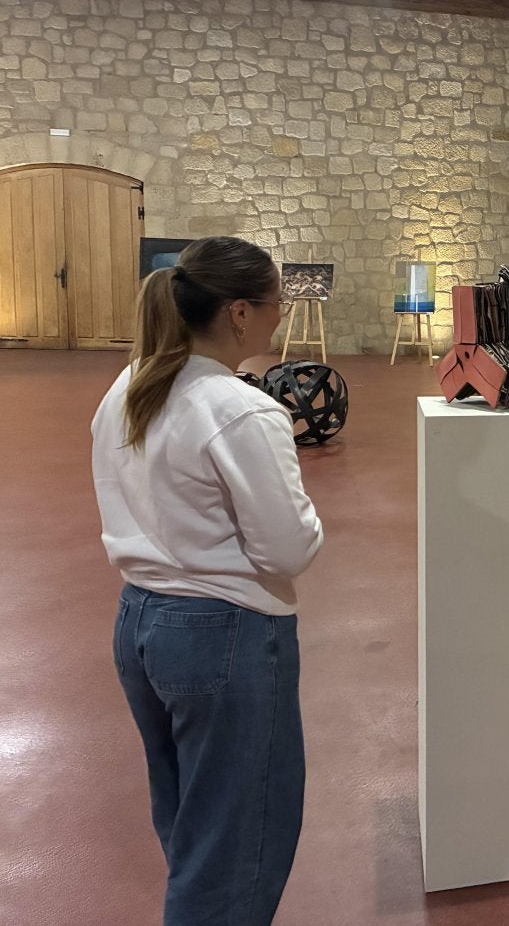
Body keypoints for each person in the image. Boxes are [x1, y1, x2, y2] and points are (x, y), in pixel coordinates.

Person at [91, 236, 323, 925]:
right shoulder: (241, 410)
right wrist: (313, 524)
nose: (281, 317)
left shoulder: (130, 385)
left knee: (193, 825)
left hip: (139, 623)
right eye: (277, 304)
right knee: (235, 845)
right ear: (242, 312)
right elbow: (288, 547)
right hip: (224, 637)